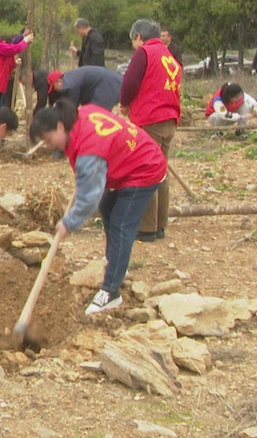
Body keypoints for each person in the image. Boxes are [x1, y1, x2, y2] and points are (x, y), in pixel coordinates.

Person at [30, 100, 167, 316]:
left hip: (144, 168)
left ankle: (111, 291)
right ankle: (115, 260)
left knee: (122, 224)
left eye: (48, 140)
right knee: (107, 206)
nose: (49, 146)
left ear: (60, 127)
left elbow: (89, 198)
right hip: (129, 161)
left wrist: (69, 222)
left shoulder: (88, 153)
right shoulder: (81, 113)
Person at [120, 19, 182, 242]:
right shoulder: (169, 57)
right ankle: (160, 224)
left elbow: (129, 82)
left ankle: (146, 228)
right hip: (169, 117)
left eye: (133, 40)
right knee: (161, 171)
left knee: (146, 171)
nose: (133, 44)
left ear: (138, 36)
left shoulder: (145, 53)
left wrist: (124, 104)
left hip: (150, 117)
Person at [47, 66, 123, 110]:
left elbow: (71, 109)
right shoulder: (70, 78)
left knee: (97, 115)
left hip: (108, 85)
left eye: (54, 87)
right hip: (104, 83)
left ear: (59, 81)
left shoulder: (70, 85)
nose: (55, 90)